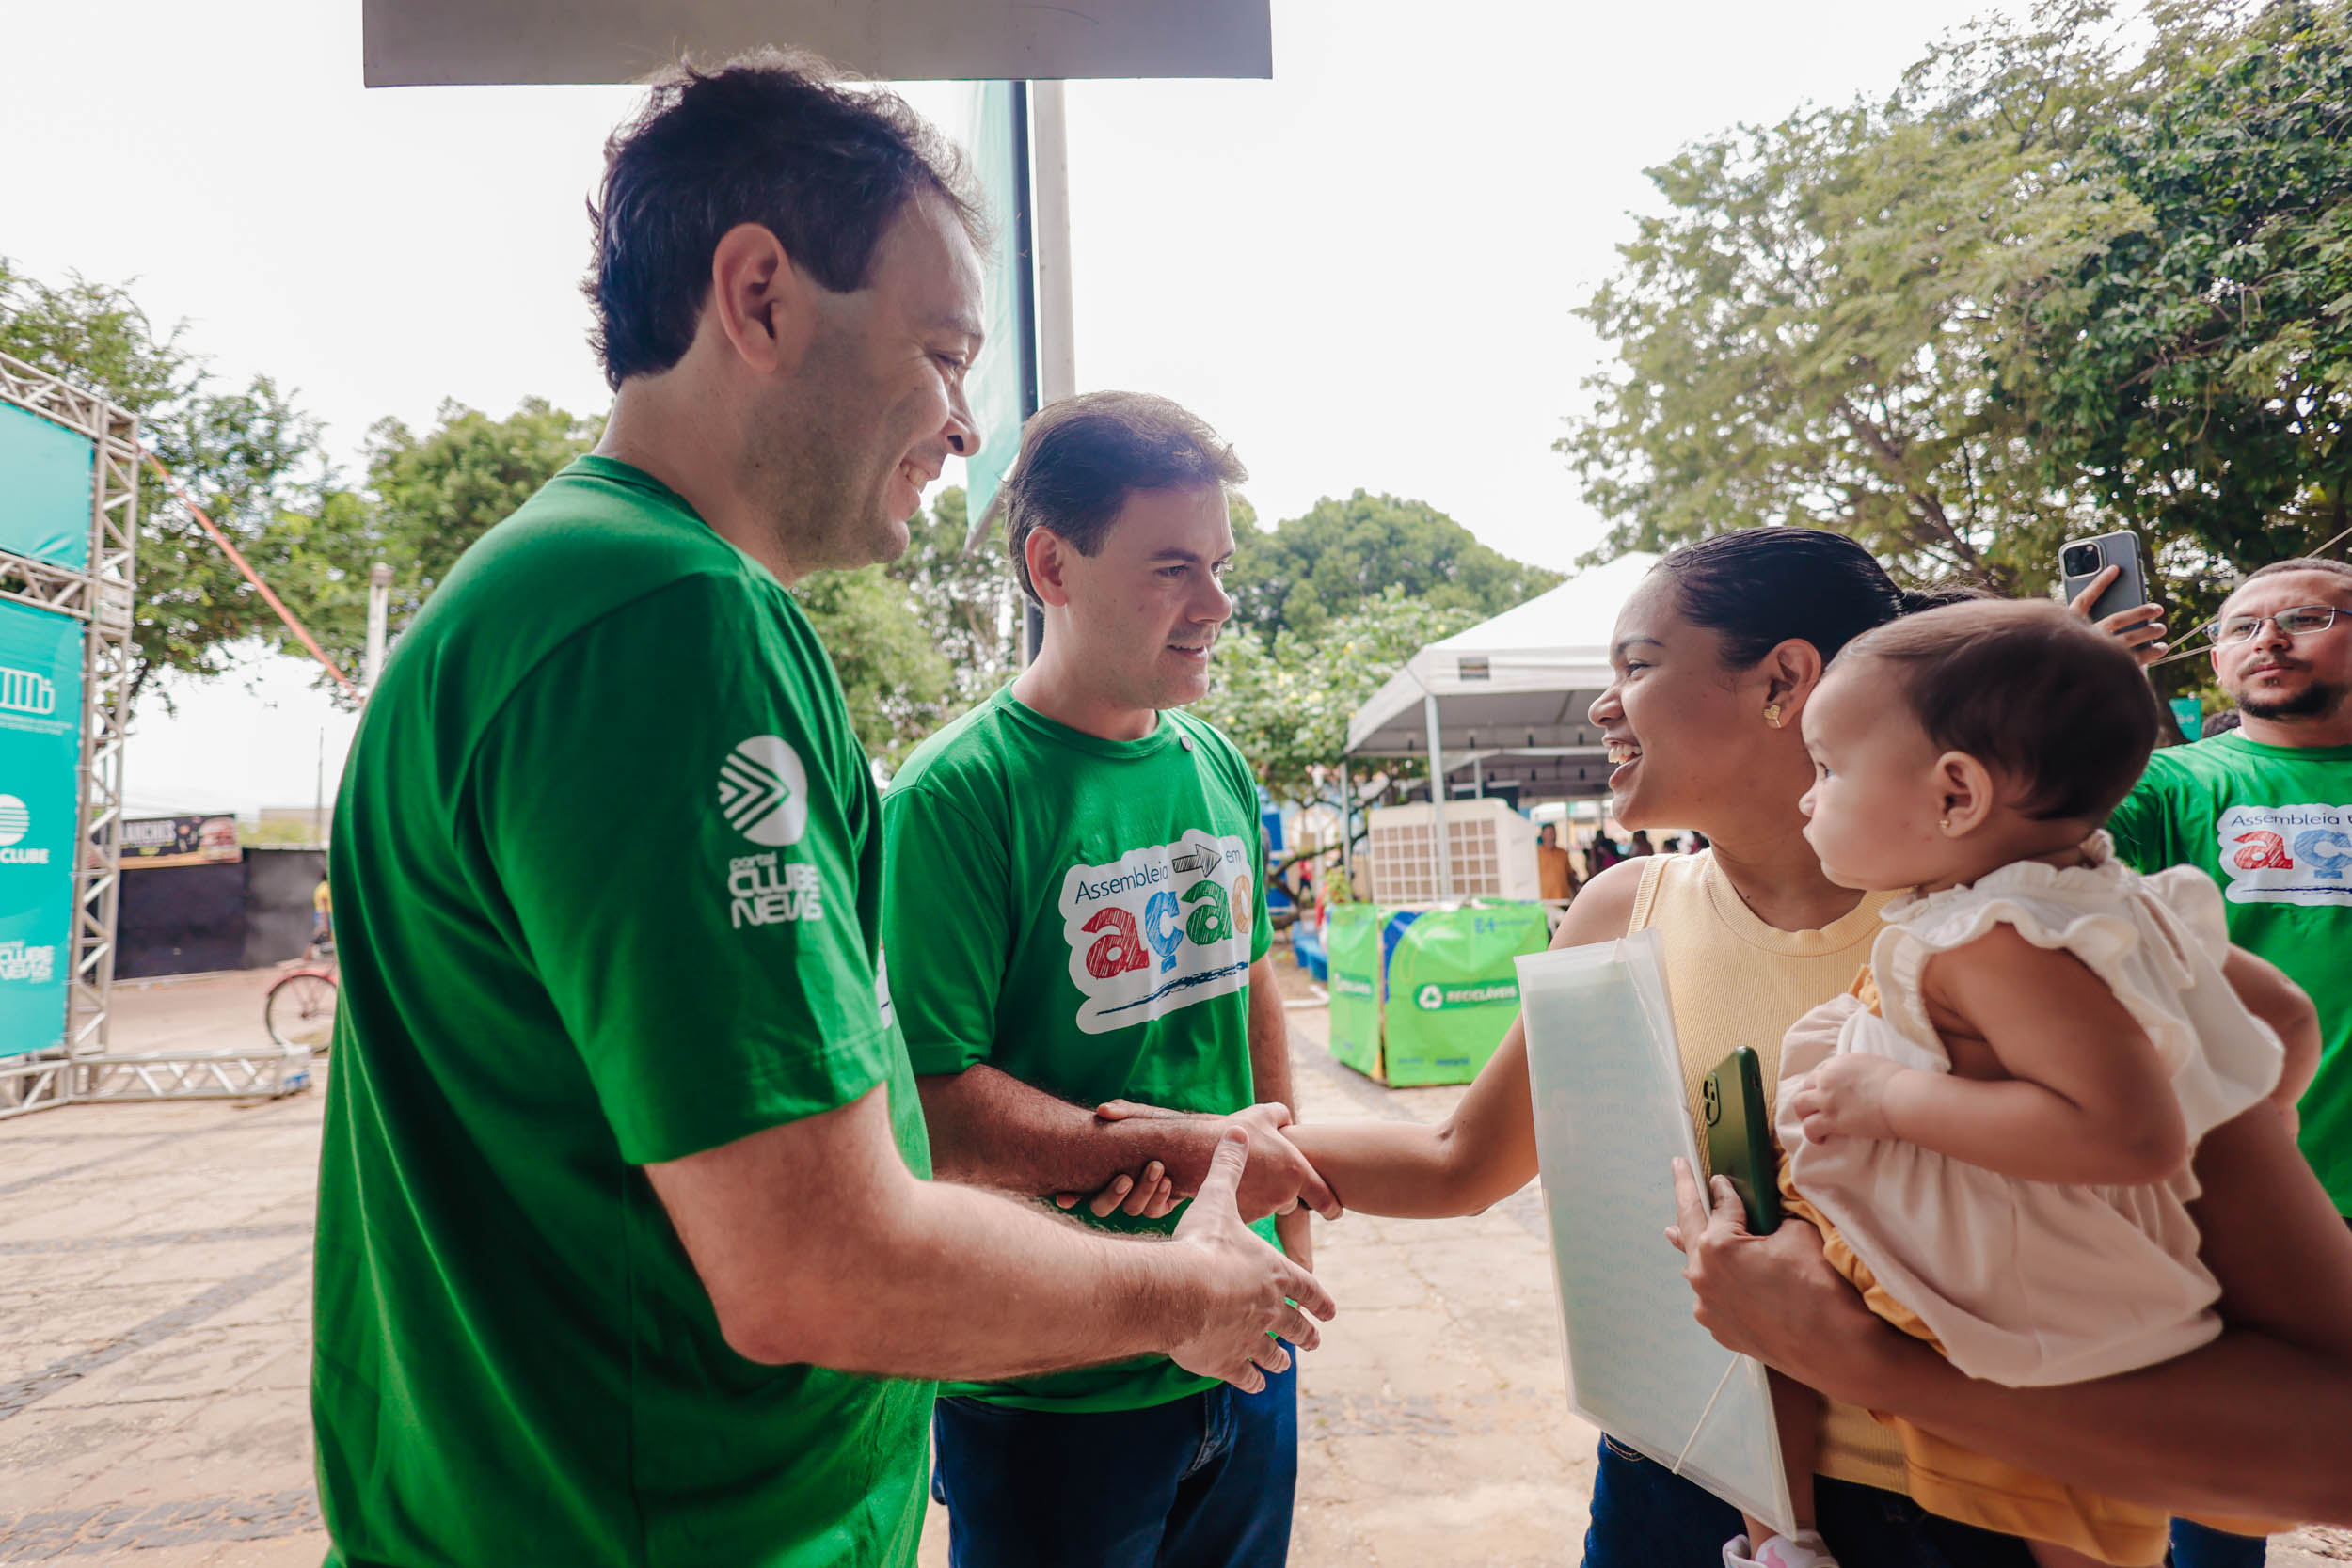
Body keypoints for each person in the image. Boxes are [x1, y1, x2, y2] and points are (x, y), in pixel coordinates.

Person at [309, 59, 1330, 1568]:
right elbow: (816, 1257)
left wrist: (1113, 1152)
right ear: (762, 296)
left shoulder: (564, 586)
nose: (965, 427)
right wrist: (1189, 1294)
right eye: (940, 352)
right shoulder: (671, 618)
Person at [1283, 527, 2352, 1565]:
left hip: (1976, 1508)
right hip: (1678, 1474)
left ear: (1782, 681)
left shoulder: (2031, 937)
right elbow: (1459, 1159)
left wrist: (1856, 1355)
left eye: (1638, 664)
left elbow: (2322, 1431)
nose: (1605, 703)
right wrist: (1214, 1148)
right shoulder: (1622, 904)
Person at [1740, 600, 2316, 1568]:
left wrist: (1884, 1098)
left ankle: (1783, 1536)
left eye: (1828, 770)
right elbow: (2286, 1019)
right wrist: (2241, 1138)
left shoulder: (1994, 939)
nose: (1806, 798)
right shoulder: (2118, 898)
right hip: (2083, 1269)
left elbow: (2128, 1136)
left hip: (2031, 1296)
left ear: (1955, 793)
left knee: (2028, 1497)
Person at [882, 392, 1338, 1568]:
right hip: (1053, 1386)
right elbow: (928, 1106)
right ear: (1052, 564)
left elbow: (1248, 985)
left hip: (1241, 1344)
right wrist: (1171, 1148)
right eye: (1173, 568)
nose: (1217, 606)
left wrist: (1283, 1228)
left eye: (1221, 566)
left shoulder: (1213, 760)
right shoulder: (954, 798)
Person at [2101, 555, 2352, 1568]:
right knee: (2221, 1492)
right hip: (2236, 1194)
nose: (2266, 638)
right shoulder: (2172, 782)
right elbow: (2027, 840)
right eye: (2240, 625)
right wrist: (2079, 685)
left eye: (2301, 615)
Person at [1537, 820, 1578, 901]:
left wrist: (1575, 891)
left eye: (1554, 833)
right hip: (1544, 899)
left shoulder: (1563, 853)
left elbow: (1570, 874)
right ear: (1543, 835)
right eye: (1549, 833)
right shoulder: (1536, 853)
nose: (1552, 836)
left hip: (1562, 898)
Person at [308, 874, 331, 958]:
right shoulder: (325, 888)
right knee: (322, 933)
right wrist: (325, 924)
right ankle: (307, 955)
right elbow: (324, 906)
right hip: (325, 914)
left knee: (319, 932)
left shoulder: (320, 887)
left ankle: (307, 955)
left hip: (320, 913)